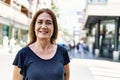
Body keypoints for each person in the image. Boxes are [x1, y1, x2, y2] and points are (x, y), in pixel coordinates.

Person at [12, 8, 70, 80]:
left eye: (48, 23)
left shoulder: (62, 52)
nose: (44, 26)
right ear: (34, 27)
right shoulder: (23, 54)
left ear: (54, 28)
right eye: (40, 22)